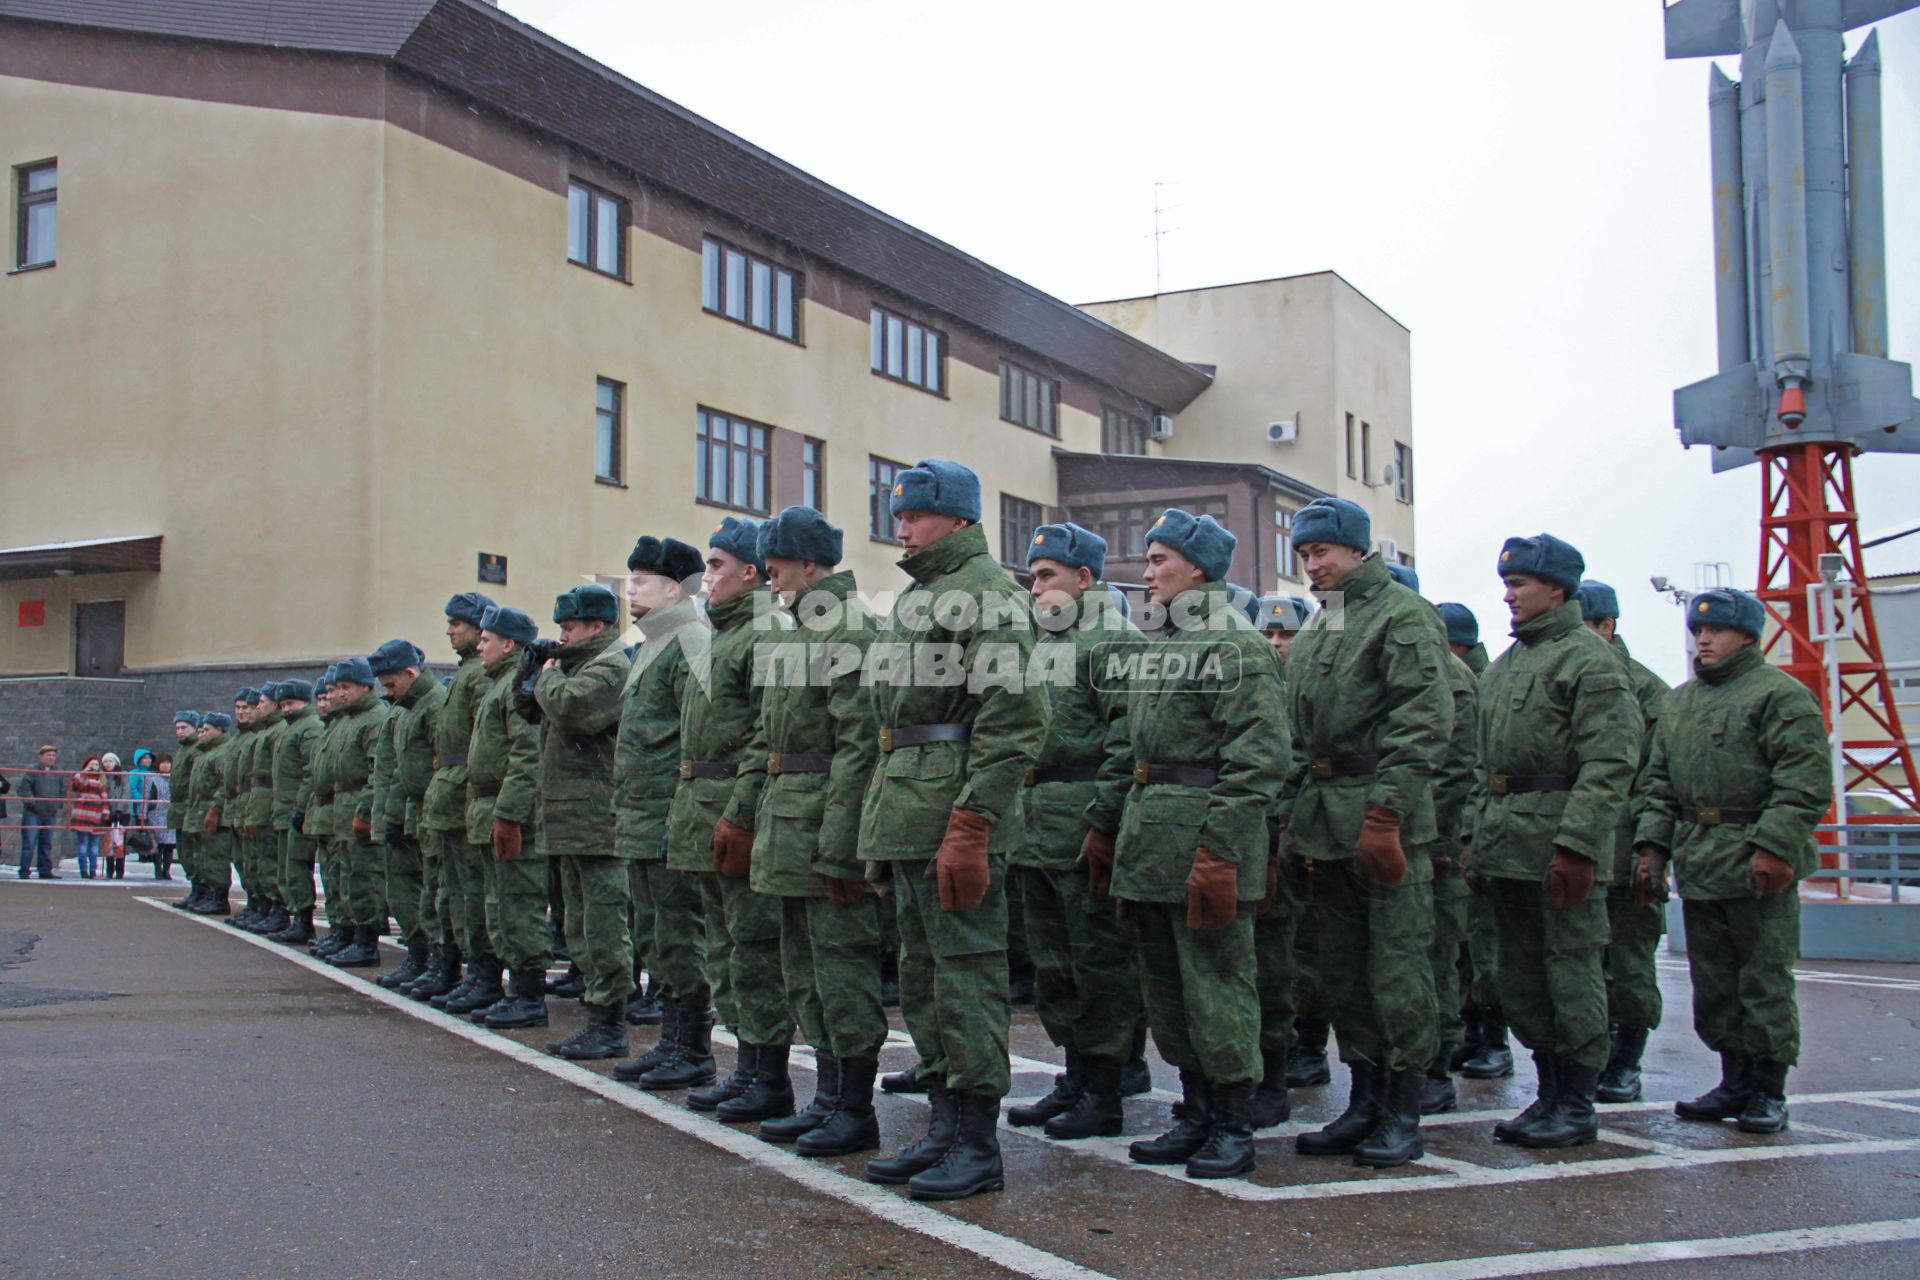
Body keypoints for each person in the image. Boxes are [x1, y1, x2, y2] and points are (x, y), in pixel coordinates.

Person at [859, 459, 1047, 1201]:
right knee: (926, 978)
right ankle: (943, 1129)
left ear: (960, 519)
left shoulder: (988, 594)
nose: (901, 526)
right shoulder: (924, 595)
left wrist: (972, 823)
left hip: (950, 813)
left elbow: (1015, 717)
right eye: (899, 514)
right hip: (909, 808)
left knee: (966, 977)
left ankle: (976, 1143)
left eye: (916, 514)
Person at [1112, 512, 1288, 1180]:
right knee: (1168, 992)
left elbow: (1258, 762)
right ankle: (1195, 1111)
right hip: (1155, 844)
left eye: (1160, 561)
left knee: (1217, 988)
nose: (1148, 572)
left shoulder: (1233, 646)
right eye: (1149, 560)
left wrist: (1221, 852)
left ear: (1199, 569)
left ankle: (1233, 1123)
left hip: (1203, 845)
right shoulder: (1164, 643)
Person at [1286, 497, 1452, 1170]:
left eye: (1322, 552)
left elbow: (1422, 725)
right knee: (1344, 974)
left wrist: (1387, 814)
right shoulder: (1323, 625)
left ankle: (1403, 1110)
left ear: (1358, 551)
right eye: (1303, 555)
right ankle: (1365, 1100)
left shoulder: (1403, 616)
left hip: (1381, 819)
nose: (1313, 566)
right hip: (1325, 820)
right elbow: (1301, 735)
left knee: (1397, 969)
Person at [1634, 587, 1827, 1133]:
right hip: (1701, 857)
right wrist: (1652, 847)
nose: (1704, 640)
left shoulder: (1778, 696)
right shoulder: (1680, 701)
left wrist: (1775, 846)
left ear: (1747, 635)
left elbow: (1803, 783)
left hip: (1754, 858)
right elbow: (1659, 785)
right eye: (1698, 631)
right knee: (1715, 981)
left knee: (1762, 978)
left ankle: (1768, 1089)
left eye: (1716, 631)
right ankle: (1734, 1080)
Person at [1470, 535, 1640, 1150]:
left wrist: (1578, 846)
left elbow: (1610, 763)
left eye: (1521, 584)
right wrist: (1473, 838)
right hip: (1506, 847)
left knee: (1571, 972)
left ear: (1558, 589)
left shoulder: (1589, 661)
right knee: (1520, 976)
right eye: (1508, 584)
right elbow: (1479, 767)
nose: (1509, 594)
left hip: (1557, 846)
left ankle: (1577, 1100)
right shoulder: (1505, 667)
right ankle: (1547, 1091)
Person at [734, 508, 887, 1149]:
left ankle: (853, 1108)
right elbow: (768, 741)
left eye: (775, 571)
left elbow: (859, 744)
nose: (770, 584)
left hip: (824, 824)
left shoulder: (848, 630)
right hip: (787, 825)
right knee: (805, 968)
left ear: (807, 564)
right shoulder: (793, 634)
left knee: (842, 967)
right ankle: (826, 1098)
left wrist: (841, 846)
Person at [1005, 522, 1142, 1143]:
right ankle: (1076, 1075)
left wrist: (1106, 823)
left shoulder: (1113, 640)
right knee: (1055, 965)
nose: (1035, 589)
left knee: (1098, 962)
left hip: (1082, 816)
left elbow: (1126, 742)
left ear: (1084, 579)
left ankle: (1105, 1089)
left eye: (1047, 576)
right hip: (1036, 821)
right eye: (1033, 577)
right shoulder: (1041, 640)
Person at [654, 517, 791, 1107]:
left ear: (751, 571)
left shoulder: (765, 634)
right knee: (722, 948)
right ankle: (747, 1067)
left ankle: (768, 1076)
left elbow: (765, 738)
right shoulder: (723, 637)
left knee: (752, 947)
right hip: (700, 810)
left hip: (734, 812)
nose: (704, 577)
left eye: (714, 565)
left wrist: (740, 814)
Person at [606, 537, 715, 1085]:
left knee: (679, 935)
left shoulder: (690, 641)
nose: (631, 590)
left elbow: (695, 742)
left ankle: (693, 1049)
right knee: (655, 933)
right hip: (641, 817)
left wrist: (680, 817)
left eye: (641, 581)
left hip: (670, 817)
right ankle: (672, 1041)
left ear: (675, 589)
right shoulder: (653, 645)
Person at [1576, 580, 1672, 1103]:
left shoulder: (1647, 692)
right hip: (1579, 846)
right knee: (1580, 961)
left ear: (1607, 627)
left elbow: (1662, 780)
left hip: (1627, 847)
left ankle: (1627, 1058)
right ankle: (1591, 1055)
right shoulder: (1567, 676)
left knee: (1630, 960)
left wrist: (1651, 850)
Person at [532, 584, 634, 1060]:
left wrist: (546, 678)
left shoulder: (610, 666)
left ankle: (610, 1021)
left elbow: (574, 710)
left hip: (597, 817)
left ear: (597, 626)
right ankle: (598, 1015)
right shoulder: (575, 668)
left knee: (602, 925)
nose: (561, 637)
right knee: (579, 924)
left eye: (569, 628)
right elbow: (534, 708)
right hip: (570, 815)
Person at [462, 604, 550, 1030]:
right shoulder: (498, 685)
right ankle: (511, 989)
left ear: (509, 644)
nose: (480, 646)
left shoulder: (517, 684)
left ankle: (529, 996)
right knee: (499, 905)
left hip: (508, 811)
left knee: (518, 905)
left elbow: (527, 754)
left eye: (486, 639)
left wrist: (511, 814)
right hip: (490, 809)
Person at [412, 592, 496, 1003]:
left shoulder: (480, 675)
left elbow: (486, 743)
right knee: (452, 891)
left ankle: (482, 975)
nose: (449, 631)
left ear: (480, 628)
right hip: (449, 796)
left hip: (466, 796)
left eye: (456, 624)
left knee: (472, 893)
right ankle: (453, 967)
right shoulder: (466, 674)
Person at [369, 638, 447, 989]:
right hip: (409, 812)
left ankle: (435, 962)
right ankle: (418, 957)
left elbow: (437, 766)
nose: (387, 692)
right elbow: (399, 771)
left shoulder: (433, 705)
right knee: (407, 890)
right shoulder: (406, 710)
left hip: (430, 813)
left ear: (410, 673)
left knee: (432, 892)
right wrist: (393, 816)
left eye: (390, 684)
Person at [325, 657, 394, 967]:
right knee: (347, 876)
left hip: (359, 805)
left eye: (346, 687)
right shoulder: (349, 719)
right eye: (338, 688)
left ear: (365, 687)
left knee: (365, 877)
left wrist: (365, 811)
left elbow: (376, 771)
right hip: (342, 806)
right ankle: (349, 934)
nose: (340, 694)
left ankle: (366, 943)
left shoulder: (374, 718)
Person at [267, 681, 324, 946]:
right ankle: (289, 914)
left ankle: (303, 921)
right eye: (283, 705)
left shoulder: (310, 727)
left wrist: (300, 807)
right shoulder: (290, 729)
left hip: (297, 810)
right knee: (286, 867)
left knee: (298, 866)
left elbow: (309, 773)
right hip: (285, 809)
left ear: (304, 702)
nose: (286, 709)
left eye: (291, 704)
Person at [188, 715, 237, 914]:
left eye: (207, 730)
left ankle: (219, 898)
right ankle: (208, 894)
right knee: (205, 856)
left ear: (220, 729)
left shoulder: (222, 752)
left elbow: (224, 783)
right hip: (203, 808)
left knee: (216, 856)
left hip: (216, 812)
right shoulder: (208, 753)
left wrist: (215, 809)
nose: (203, 733)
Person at [164, 715, 202, 903]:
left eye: (184, 727)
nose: (180, 731)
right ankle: (196, 889)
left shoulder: (196, 750)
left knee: (193, 851)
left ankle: (202, 890)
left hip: (189, 806)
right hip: (180, 807)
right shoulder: (183, 750)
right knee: (185, 851)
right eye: (177, 728)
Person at [17, 745, 62, 879]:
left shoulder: (58, 772)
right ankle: (24, 871)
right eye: (49, 755)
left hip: (50, 812)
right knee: (29, 843)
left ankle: (45, 870)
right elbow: (23, 788)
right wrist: (33, 803)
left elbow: (62, 790)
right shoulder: (32, 771)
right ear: (41, 756)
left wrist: (57, 804)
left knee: (46, 842)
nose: (51, 758)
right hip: (33, 813)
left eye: (53, 755)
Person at [70, 755, 109, 879]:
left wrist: (105, 812)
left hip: (96, 815)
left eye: (96, 765)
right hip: (82, 815)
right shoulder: (80, 776)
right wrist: (84, 772)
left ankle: (93, 870)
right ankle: (83, 870)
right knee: (82, 844)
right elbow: (76, 786)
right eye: (91, 764)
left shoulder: (101, 780)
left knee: (94, 845)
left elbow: (104, 797)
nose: (94, 767)